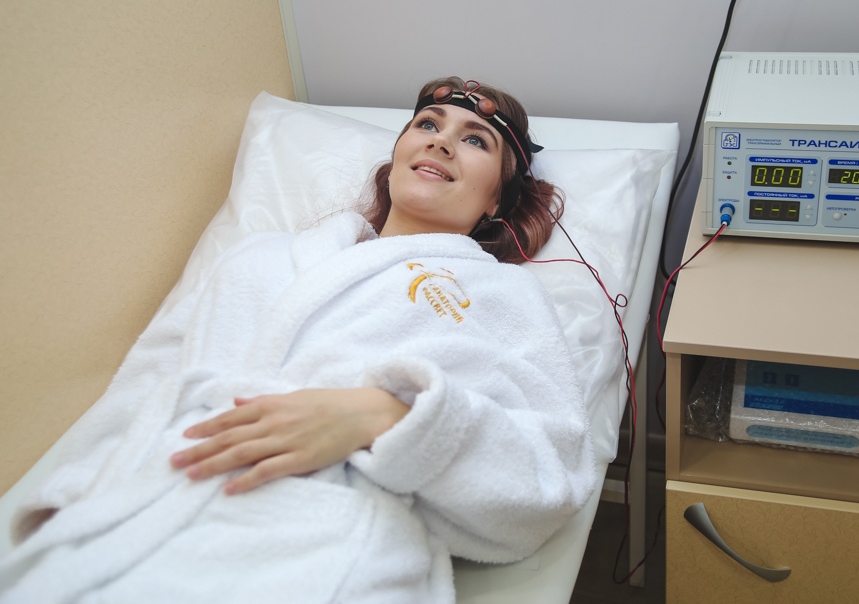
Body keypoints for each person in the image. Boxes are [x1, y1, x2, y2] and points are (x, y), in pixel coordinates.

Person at [0, 78, 596, 604]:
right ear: (396, 156)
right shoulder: (256, 257)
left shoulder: (501, 294)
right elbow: (147, 384)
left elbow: (549, 472)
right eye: (427, 125)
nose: (440, 142)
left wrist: (388, 418)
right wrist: (78, 494)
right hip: (133, 523)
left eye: (475, 140)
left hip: (317, 551)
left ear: (496, 200)